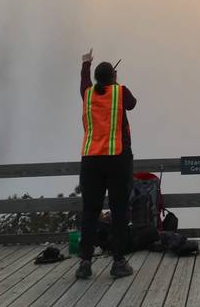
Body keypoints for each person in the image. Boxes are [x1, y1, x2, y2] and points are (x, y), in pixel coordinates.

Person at [75, 48, 137, 279]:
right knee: (120, 211)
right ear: (113, 77)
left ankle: (84, 262)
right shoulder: (120, 92)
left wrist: (86, 63)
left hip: (90, 160)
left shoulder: (88, 94)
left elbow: (84, 82)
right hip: (117, 159)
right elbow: (132, 104)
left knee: (90, 212)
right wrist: (116, 83)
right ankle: (118, 262)